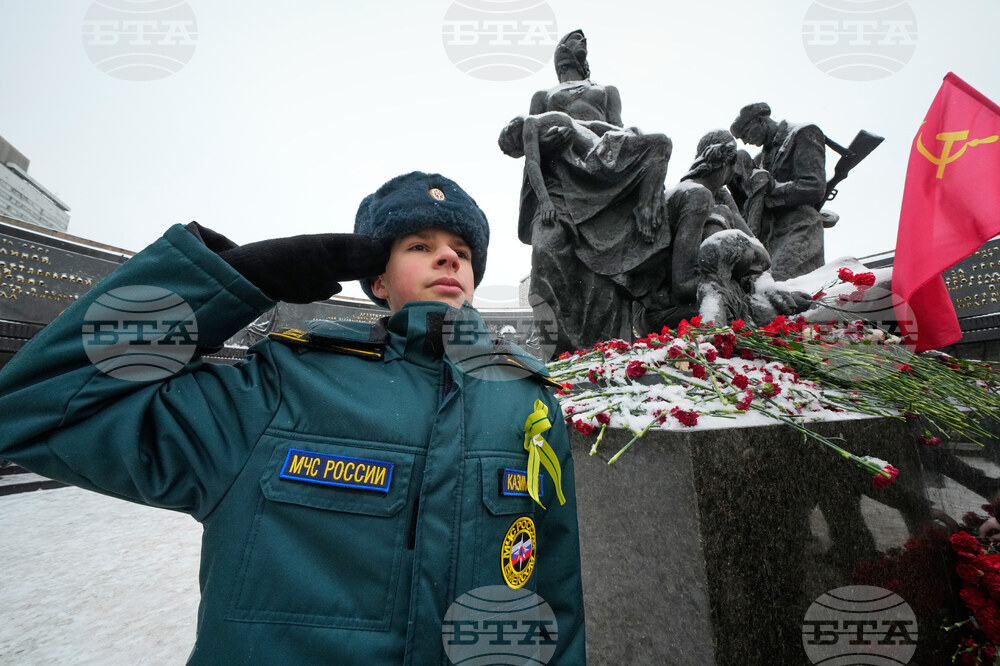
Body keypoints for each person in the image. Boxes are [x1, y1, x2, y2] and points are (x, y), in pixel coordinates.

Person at [0, 172, 586, 664]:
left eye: (461, 248)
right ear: (378, 281)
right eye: (417, 244)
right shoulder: (284, 382)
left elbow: (553, 591)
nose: (448, 255)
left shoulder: (526, 398)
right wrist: (227, 282)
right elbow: (37, 407)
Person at [729, 102, 829, 280]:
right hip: (769, 234)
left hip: (799, 227)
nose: (745, 141)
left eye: (745, 133)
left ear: (760, 121)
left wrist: (769, 194)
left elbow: (814, 187)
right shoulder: (760, 159)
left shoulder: (803, 133)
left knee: (785, 285)